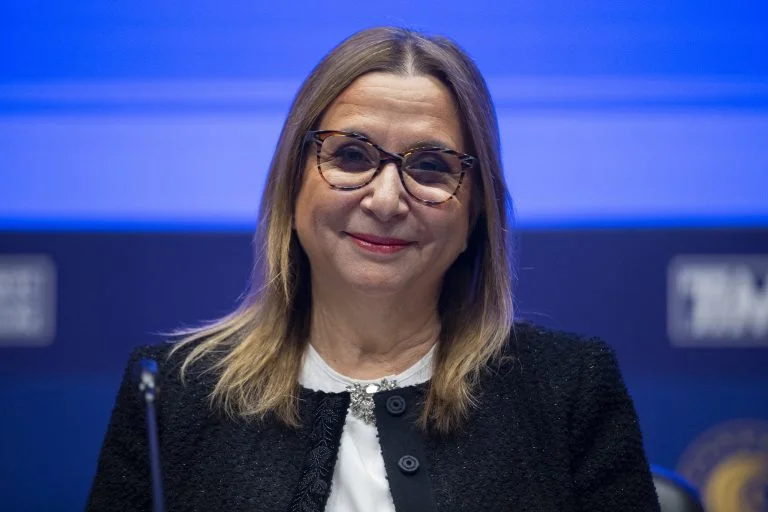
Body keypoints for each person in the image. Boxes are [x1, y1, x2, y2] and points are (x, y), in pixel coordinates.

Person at [87, 26, 660, 511]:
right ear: (292, 182)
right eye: (351, 155)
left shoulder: (569, 388)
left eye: (430, 166)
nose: (386, 201)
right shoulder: (172, 394)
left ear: (477, 211)